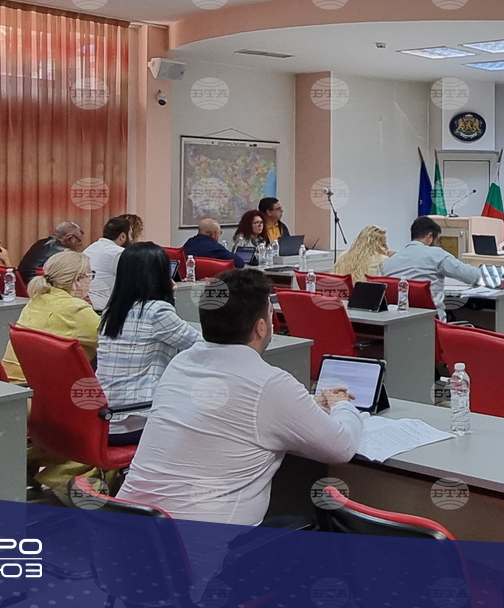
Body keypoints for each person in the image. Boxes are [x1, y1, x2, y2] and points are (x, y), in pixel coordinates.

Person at [118, 268, 363, 525]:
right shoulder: (268, 383)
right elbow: (342, 447)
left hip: (126, 530)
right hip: (199, 544)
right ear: (261, 327)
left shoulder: (180, 363)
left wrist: (306, 405)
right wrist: (341, 405)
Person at [96, 243, 200, 447]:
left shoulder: (111, 310)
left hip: (104, 417)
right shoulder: (157, 311)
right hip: (134, 419)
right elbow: (200, 345)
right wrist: (170, 297)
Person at [1, 251, 99, 384]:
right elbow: (111, 339)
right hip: (41, 387)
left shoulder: (37, 299)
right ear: (78, 280)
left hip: (17, 384)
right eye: (90, 276)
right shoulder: (75, 308)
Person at [381, 216, 483, 318]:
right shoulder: (436, 254)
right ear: (430, 236)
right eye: (438, 240)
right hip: (432, 322)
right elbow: (473, 275)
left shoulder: (388, 263)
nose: (437, 244)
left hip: (399, 323)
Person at [82, 217, 132, 312]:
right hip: (103, 309)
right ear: (122, 236)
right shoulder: (119, 253)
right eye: (130, 235)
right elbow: (134, 281)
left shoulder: (90, 248)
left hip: (85, 303)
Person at [17, 221, 85, 285]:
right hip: (40, 288)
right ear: (69, 239)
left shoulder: (40, 243)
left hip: (23, 287)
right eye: (79, 241)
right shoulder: (64, 253)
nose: (81, 244)